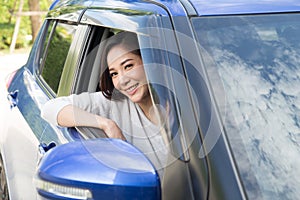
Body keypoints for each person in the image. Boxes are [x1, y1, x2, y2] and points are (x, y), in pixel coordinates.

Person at [41, 31, 169, 171]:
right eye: (114, 74)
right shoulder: (114, 104)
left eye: (128, 66)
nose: (122, 80)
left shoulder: (186, 104)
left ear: (149, 63)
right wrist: (107, 124)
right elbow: (50, 108)